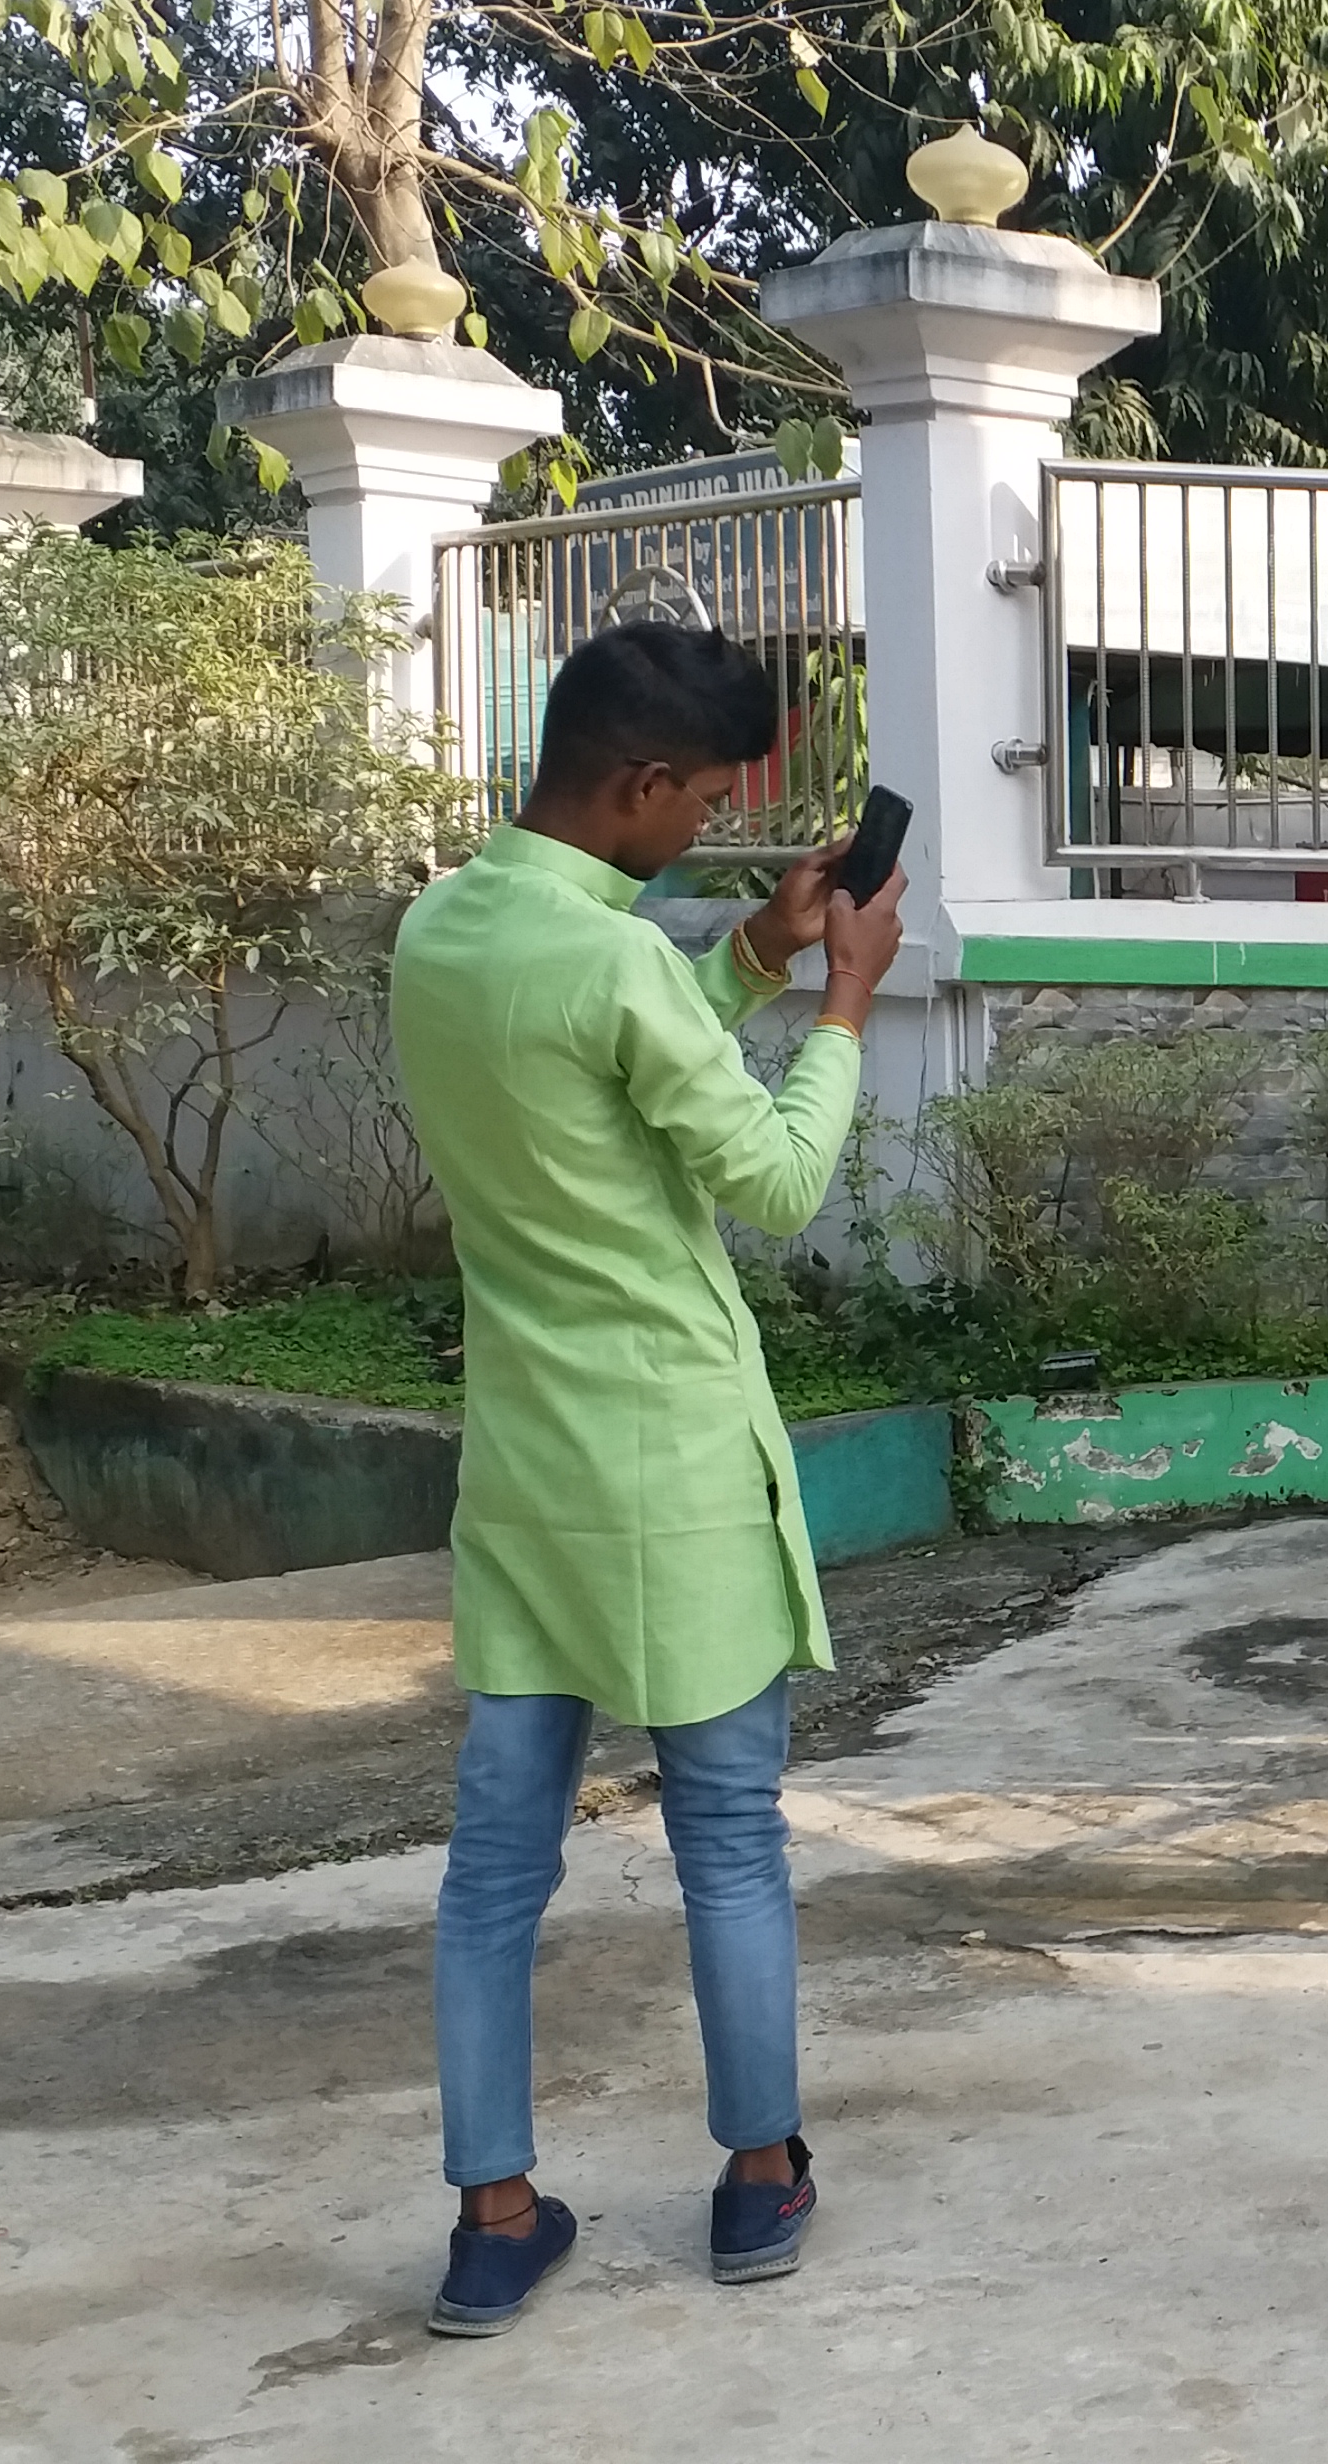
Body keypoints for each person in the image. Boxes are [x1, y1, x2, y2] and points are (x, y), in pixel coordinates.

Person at [386, 621, 907, 2338]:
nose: (711, 830)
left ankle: (492, 2214)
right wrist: (839, 1005)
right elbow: (765, 1178)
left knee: (493, 1867)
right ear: (637, 783)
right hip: (673, 1460)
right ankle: (760, 2180)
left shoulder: (449, 929)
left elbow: (594, 1072)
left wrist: (751, 955)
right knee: (734, 1845)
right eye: (703, 803)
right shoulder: (607, 967)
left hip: (531, 1462)